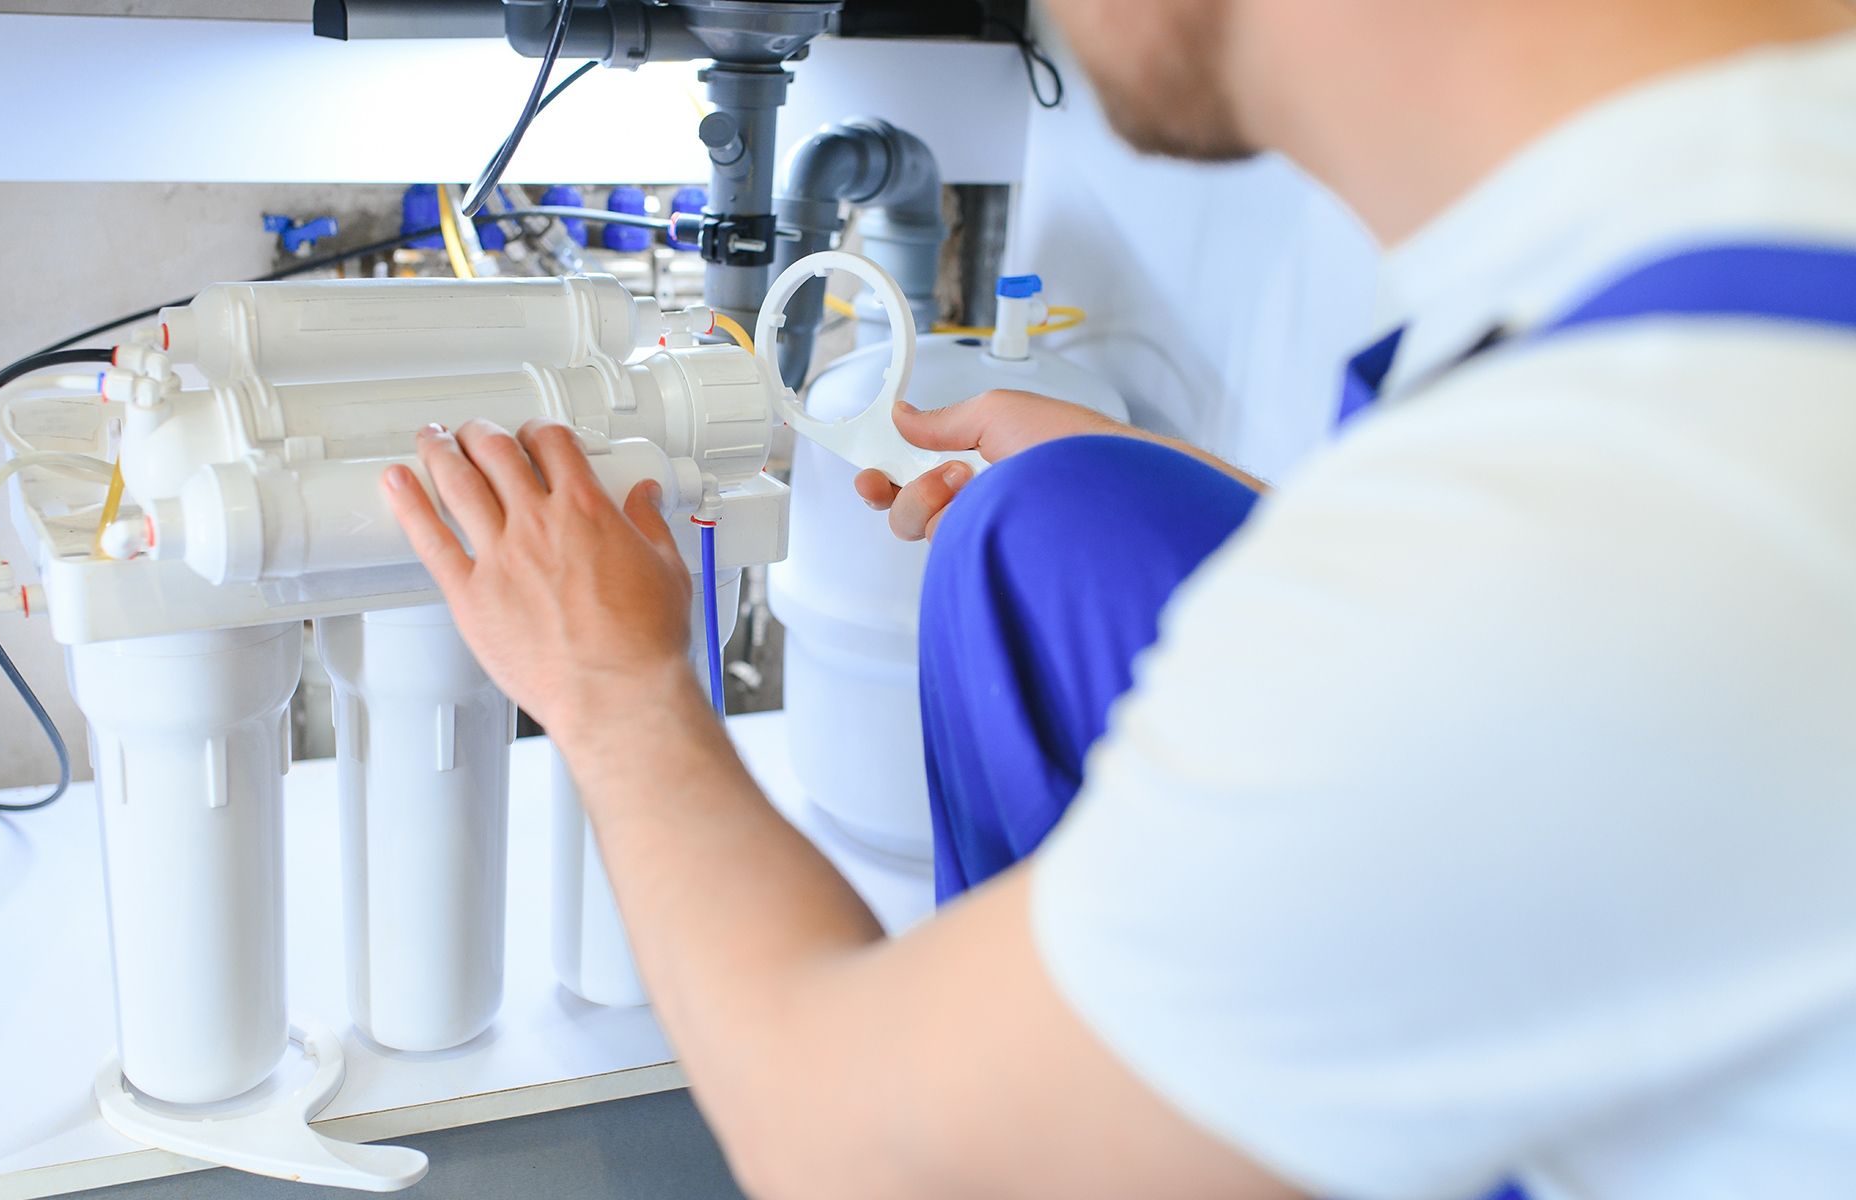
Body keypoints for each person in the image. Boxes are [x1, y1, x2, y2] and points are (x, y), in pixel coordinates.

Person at [383, 0, 1856, 1194]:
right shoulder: (1713, 277)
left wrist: (616, 689)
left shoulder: (1592, 536)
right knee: (1058, 520)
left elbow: (845, 1154)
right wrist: (1156, 470)